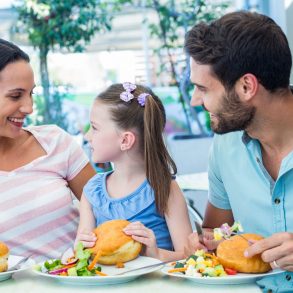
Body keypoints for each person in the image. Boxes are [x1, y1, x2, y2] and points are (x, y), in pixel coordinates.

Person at [184, 11, 293, 292]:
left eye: (202, 88)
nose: (195, 100)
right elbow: (218, 233)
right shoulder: (225, 145)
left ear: (246, 86)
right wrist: (202, 242)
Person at [0, 39, 96, 261]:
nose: (29, 107)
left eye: (31, 93)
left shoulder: (55, 141)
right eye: (15, 96)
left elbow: (107, 208)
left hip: (76, 279)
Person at [75, 82, 192, 261]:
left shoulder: (165, 189)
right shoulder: (91, 192)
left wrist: (156, 253)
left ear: (125, 140)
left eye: (95, 128)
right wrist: (81, 248)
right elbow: (82, 256)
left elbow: (191, 257)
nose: (87, 135)